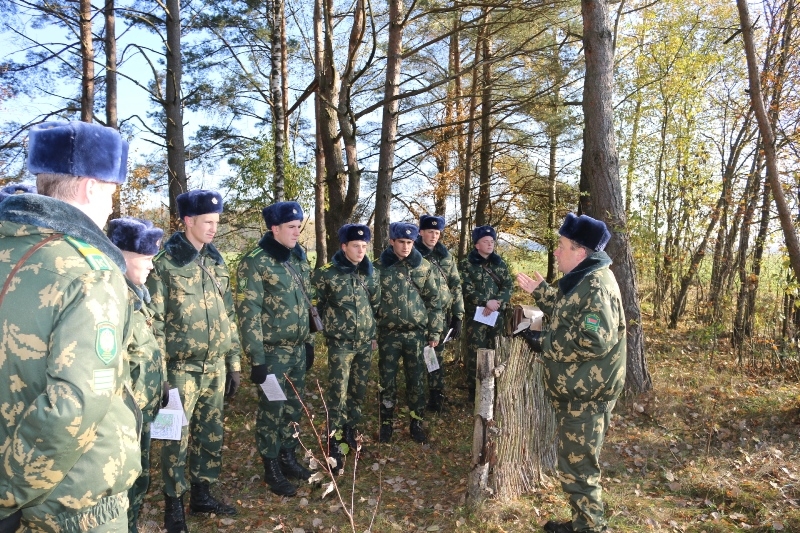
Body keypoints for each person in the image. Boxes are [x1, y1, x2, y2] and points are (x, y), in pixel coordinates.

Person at [0, 121, 140, 532]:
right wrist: (7, 492)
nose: (113, 203)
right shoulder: (89, 271)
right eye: (112, 189)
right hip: (72, 502)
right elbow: (73, 405)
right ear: (90, 187)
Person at [516, 213, 626, 533]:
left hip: (588, 396)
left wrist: (544, 342)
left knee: (579, 468)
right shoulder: (583, 278)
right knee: (573, 464)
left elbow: (594, 340)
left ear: (579, 251)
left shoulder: (596, 285)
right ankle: (583, 523)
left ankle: (591, 527)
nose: (556, 252)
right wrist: (541, 292)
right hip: (579, 391)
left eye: (561, 246)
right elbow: (569, 312)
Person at [146, 190, 240, 533]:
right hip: (179, 370)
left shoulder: (216, 262)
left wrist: (233, 363)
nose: (214, 229)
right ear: (188, 221)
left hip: (214, 367)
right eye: (207, 222)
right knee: (175, 440)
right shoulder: (165, 264)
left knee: (211, 434)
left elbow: (228, 314)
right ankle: (174, 504)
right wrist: (160, 375)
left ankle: (203, 494)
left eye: (217, 222)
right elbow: (153, 322)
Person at [236, 201, 314, 497]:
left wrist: (308, 342)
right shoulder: (255, 261)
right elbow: (249, 312)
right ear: (275, 228)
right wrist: (256, 359)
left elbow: (307, 302)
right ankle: (271, 467)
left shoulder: (298, 257)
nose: (297, 232)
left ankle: (288, 456)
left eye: (299, 227)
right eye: (291, 228)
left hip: (296, 351)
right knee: (273, 408)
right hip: (271, 354)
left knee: (294, 407)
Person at [107, 217, 168, 533]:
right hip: (123, 421)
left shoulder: (138, 298)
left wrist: (163, 385)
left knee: (138, 481)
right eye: (145, 259)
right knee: (124, 488)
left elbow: (147, 352)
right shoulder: (116, 302)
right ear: (121, 256)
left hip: (142, 412)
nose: (151, 267)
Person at [311, 223, 380, 467]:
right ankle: (334, 440)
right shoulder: (326, 273)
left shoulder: (369, 273)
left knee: (357, 392)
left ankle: (351, 431)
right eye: (355, 246)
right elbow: (313, 308)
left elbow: (375, 306)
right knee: (337, 393)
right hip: (341, 344)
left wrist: (372, 335)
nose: (361, 251)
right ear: (343, 246)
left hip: (364, 344)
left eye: (364, 246)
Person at [374, 222, 443, 444]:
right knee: (387, 380)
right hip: (388, 334)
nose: (406, 247)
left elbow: (434, 301)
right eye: (401, 242)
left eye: (410, 242)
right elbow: (371, 303)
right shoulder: (378, 268)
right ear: (392, 241)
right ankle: (386, 423)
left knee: (416, 381)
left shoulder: (423, 268)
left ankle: (416, 422)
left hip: (416, 335)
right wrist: (372, 333)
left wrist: (435, 331)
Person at [413, 214, 464, 413]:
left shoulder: (446, 257)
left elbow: (455, 285)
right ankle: (416, 397)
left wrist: (458, 315)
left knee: (436, 355)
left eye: (437, 232)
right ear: (421, 232)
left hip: (442, 315)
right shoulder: (414, 254)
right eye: (430, 232)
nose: (434, 236)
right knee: (418, 356)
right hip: (419, 314)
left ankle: (436, 395)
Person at [459, 225, 513, 401]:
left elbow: (508, 286)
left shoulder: (499, 264)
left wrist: (497, 302)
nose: (490, 244)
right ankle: (474, 393)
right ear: (477, 244)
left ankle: (493, 391)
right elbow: (465, 288)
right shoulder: (466, 265)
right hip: (476, 319)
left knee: (495, 351)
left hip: (497, 317)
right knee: (476, 354)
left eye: (492, 241)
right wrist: (484, 302)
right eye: (485, 241)